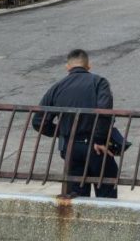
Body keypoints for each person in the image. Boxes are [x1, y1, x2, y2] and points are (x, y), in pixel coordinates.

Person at [31, 49, 118, 199]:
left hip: (71, 149)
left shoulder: (57, 87)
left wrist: (62, 133)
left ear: (67, 67)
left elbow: (39, 121)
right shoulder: (99, 82)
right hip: (96, 148)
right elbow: (104, 112)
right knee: (106, 195)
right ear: (88, 66)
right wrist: (99, 139)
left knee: (77, 196)